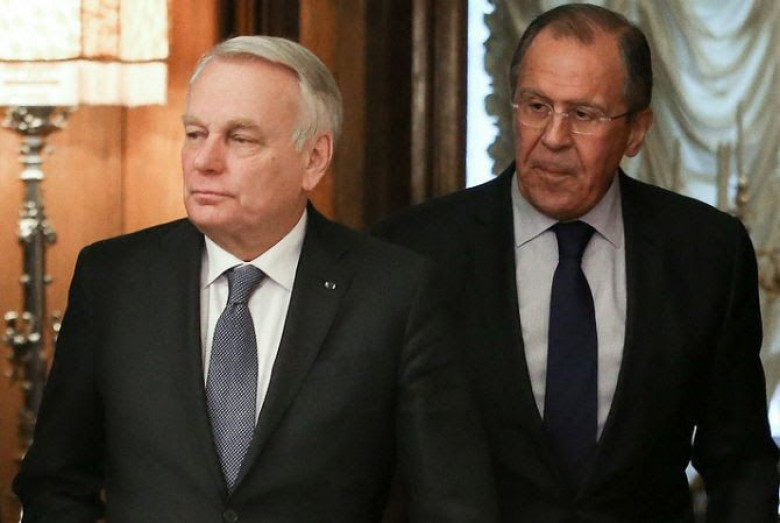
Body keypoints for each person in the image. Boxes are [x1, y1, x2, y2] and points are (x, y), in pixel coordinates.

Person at [13, 36, 499, 523]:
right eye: (195, 133)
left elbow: (452, 503)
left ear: (314, 158)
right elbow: (55, 484)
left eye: (240, 138)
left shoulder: (395, 293)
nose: (205, 160)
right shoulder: (114, 279)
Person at [375, 4, 779, 522]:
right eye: (536, 106)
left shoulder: (706, 253)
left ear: (636, 131)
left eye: (583, 114)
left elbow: (740, 460)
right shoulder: (414, 251)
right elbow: (374, 461)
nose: (553, 137)